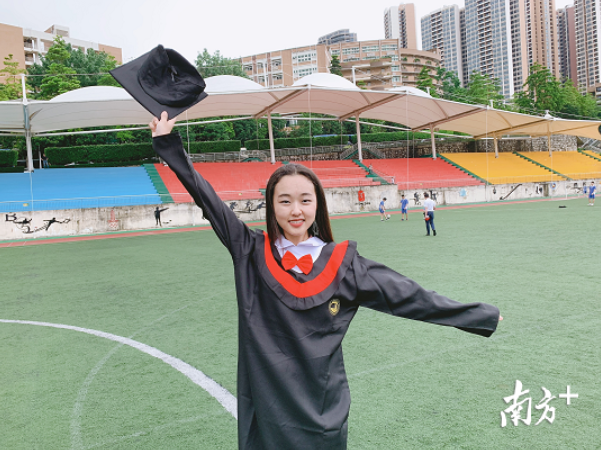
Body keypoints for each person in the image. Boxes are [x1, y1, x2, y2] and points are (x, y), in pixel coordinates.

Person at [149, 112, 501, 450]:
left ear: (318, 205)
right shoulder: (251, 252)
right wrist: (168, 144)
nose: (296, 210)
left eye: (305, 200)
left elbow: (409, 296)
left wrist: (477, 315)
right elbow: (207, 199)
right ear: (271, 206)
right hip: (269, 409)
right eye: (284, 201)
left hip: (321, 411)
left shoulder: (343, 263)